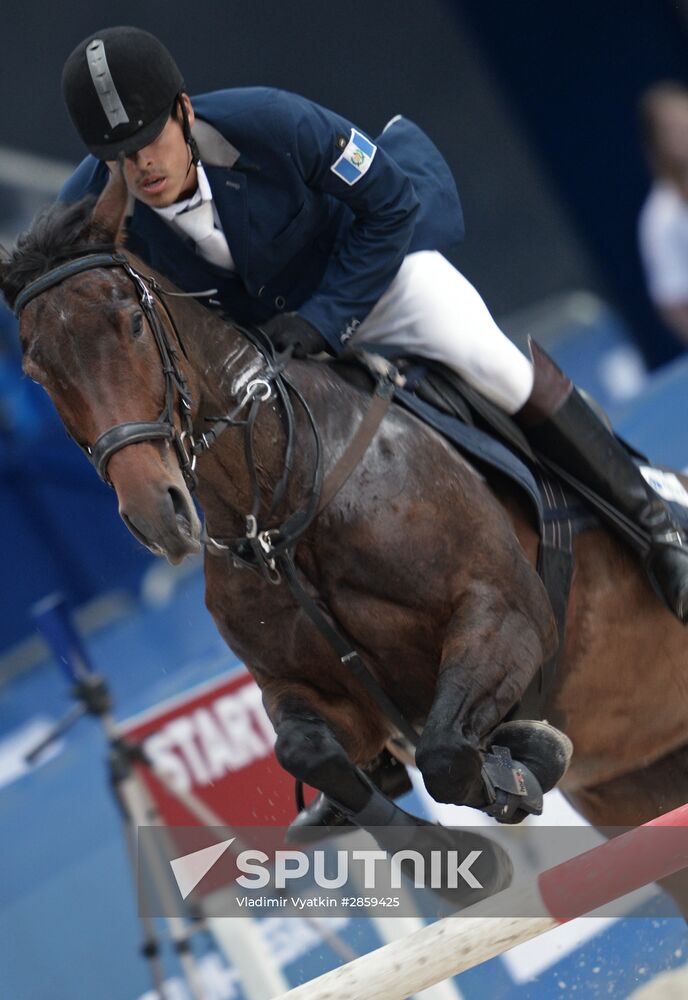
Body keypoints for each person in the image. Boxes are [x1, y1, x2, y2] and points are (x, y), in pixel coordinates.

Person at [59, 26, 688, 624]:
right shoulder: (91, 206)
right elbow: (56, 296)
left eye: (150, 140)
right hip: (270, 346)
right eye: (118, 156)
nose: (141, 166)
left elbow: (390, 205)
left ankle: (657, 529)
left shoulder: (274, 122)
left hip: (374, 280)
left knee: (492, 362)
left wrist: (325, 317)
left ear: (184, 111)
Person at [638, 81, 688, 349]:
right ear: (658, 143)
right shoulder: (659, 219)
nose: (684, 130)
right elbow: (673, 305)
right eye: (672, 128)